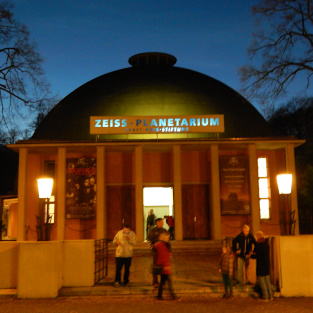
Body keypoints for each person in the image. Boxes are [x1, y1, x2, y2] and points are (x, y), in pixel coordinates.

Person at [153, 231, 178, 300]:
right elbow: (162, 257)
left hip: (164, 266)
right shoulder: (161, 246)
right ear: (164, 238)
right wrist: (166, 265)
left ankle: (160, 296)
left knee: (163, 282)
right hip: (164, 266)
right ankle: (173, 296)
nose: (168, 239)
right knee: (169, 282)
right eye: (167, 237)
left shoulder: (163, 245)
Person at [147, 217, 167, 288]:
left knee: (163, 268)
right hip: (156, 252)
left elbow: (167, 241)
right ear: (157, 223)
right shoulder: (152, 231)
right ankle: (155, 282)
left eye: (163, 222)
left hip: (163, 253)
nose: (162, 223)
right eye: (161, 222)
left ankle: (163, 282)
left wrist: (168, 250)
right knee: (155, 267)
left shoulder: (164, 230)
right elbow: (149, 240)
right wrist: (152, 248)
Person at [254, 231, 273, 301]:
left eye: (256, 236)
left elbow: (258, 256)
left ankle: (265, 296)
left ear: (258, 237)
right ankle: (270, 295)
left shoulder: (259, 245)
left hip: (261, 266)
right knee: (267, 281)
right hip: (266, 265)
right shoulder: (266, 244)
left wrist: (252, 255)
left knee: (262, 282)